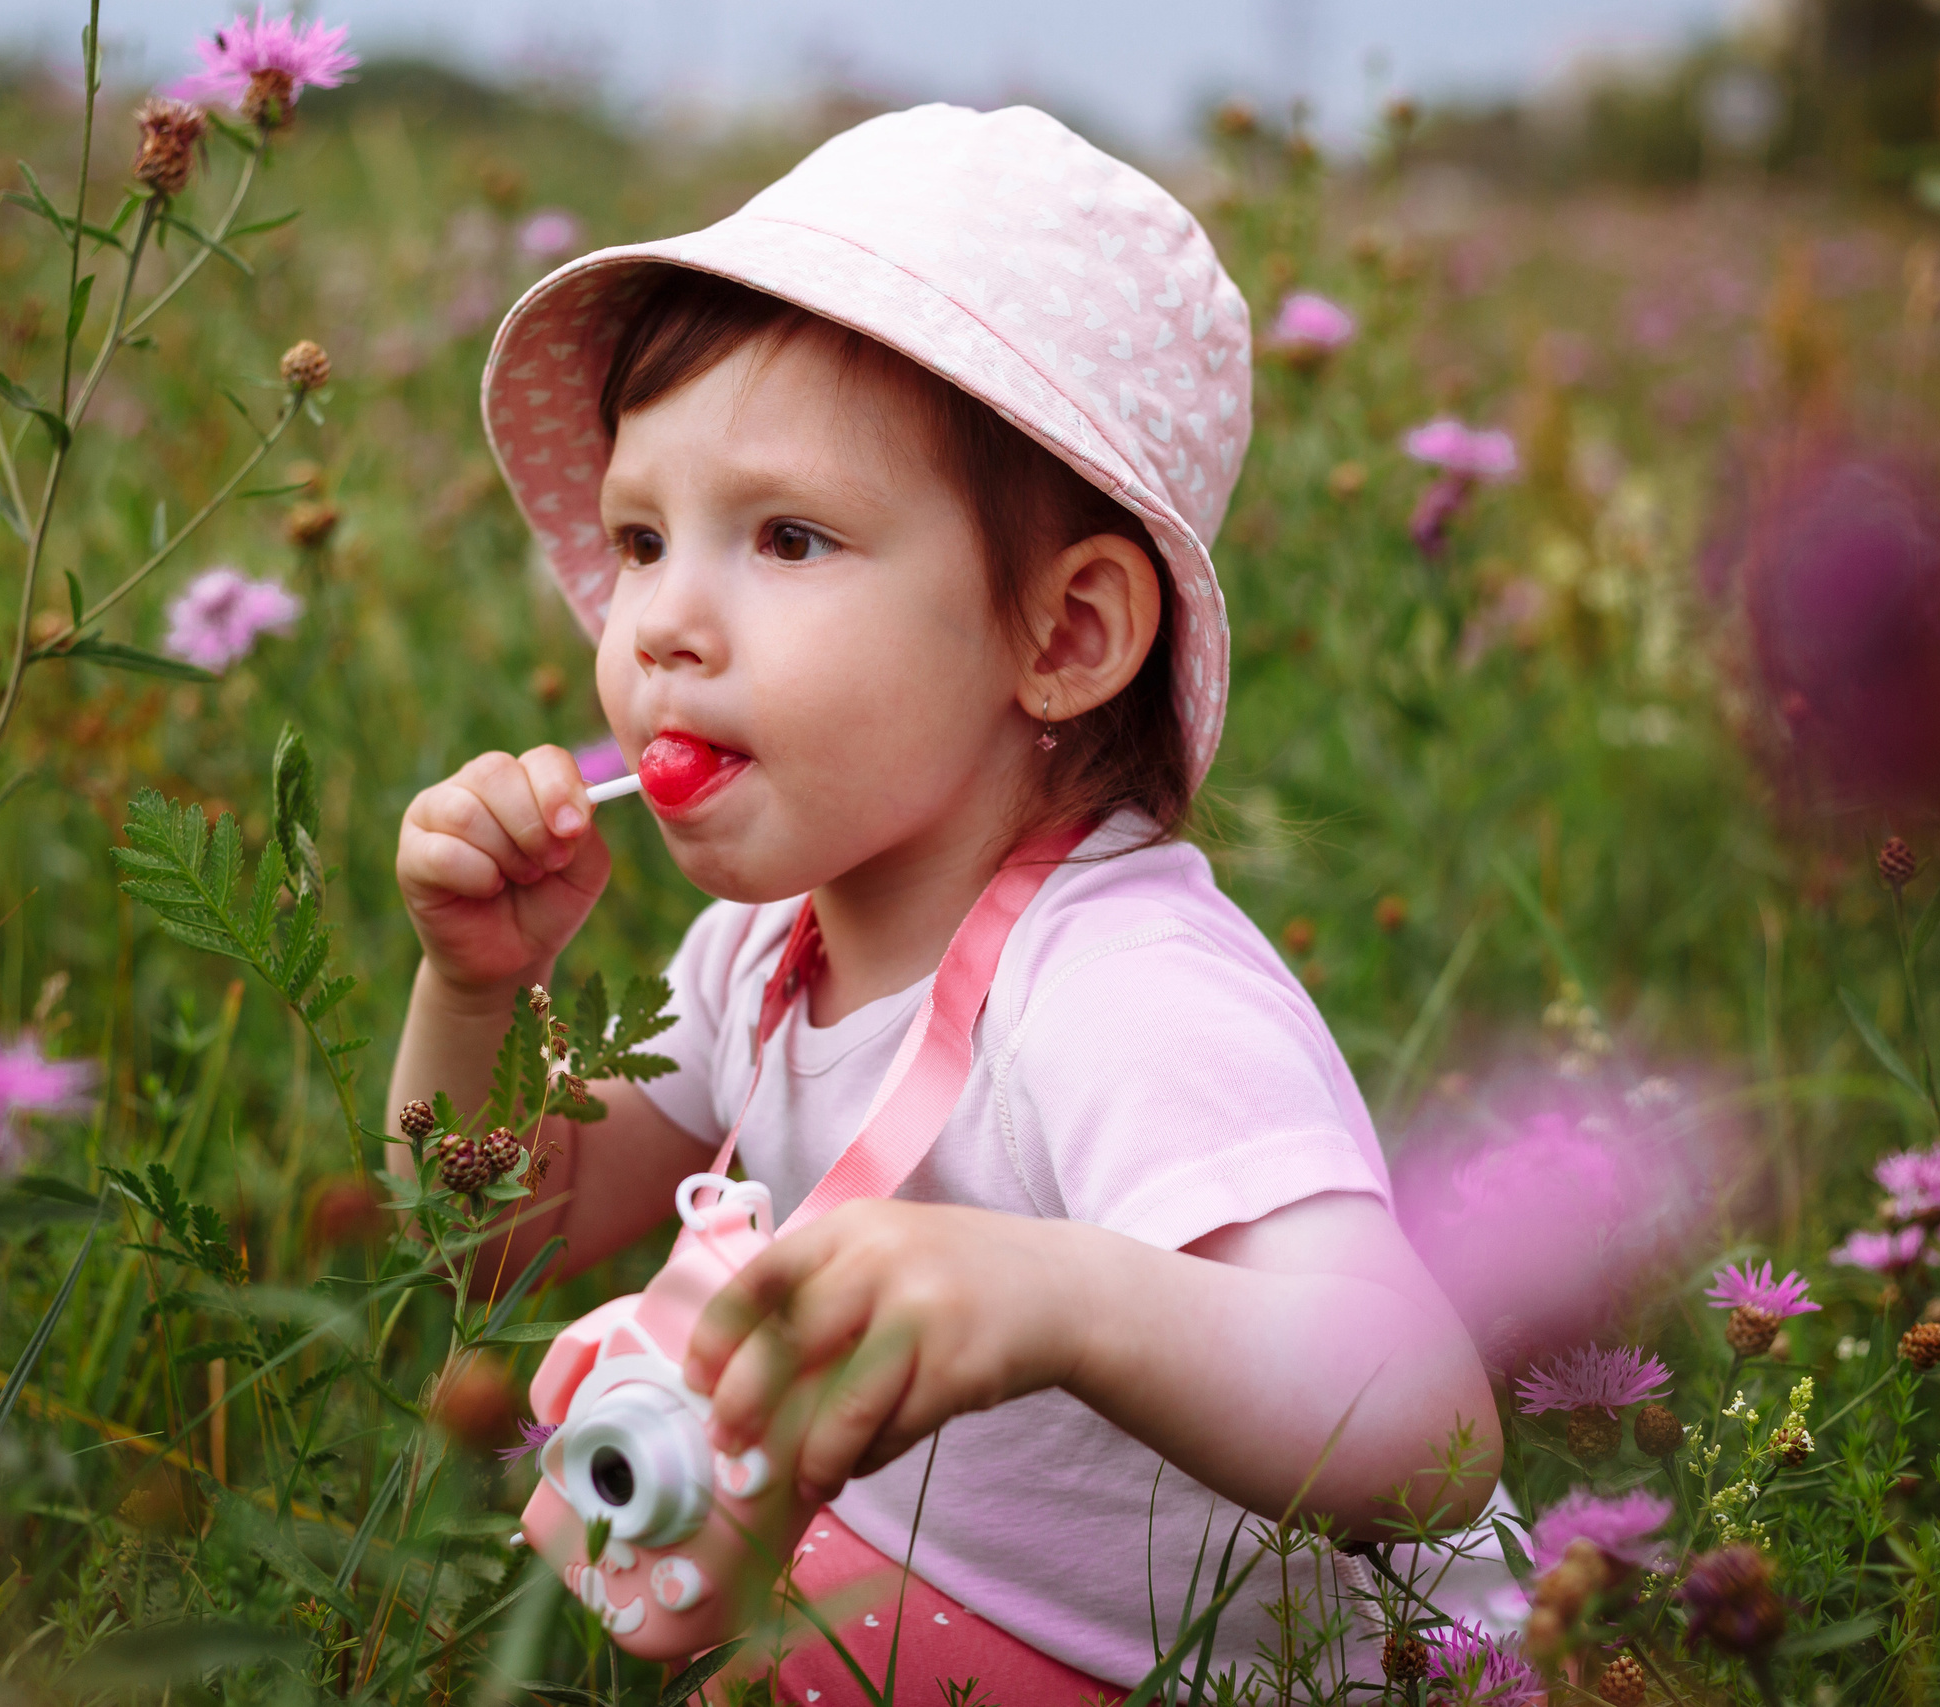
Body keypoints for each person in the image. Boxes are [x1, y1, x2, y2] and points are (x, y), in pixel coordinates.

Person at [389, 103, 1499, 1699]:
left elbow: (1428, 1427)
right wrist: (474, 991)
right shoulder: (758, 956)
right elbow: (482, 1241)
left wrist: (1057, 1296)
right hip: (952, 1614)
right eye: (640, 539)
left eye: (787, 537)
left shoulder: (1124, 990)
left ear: (1060, 638)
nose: (659, 629)